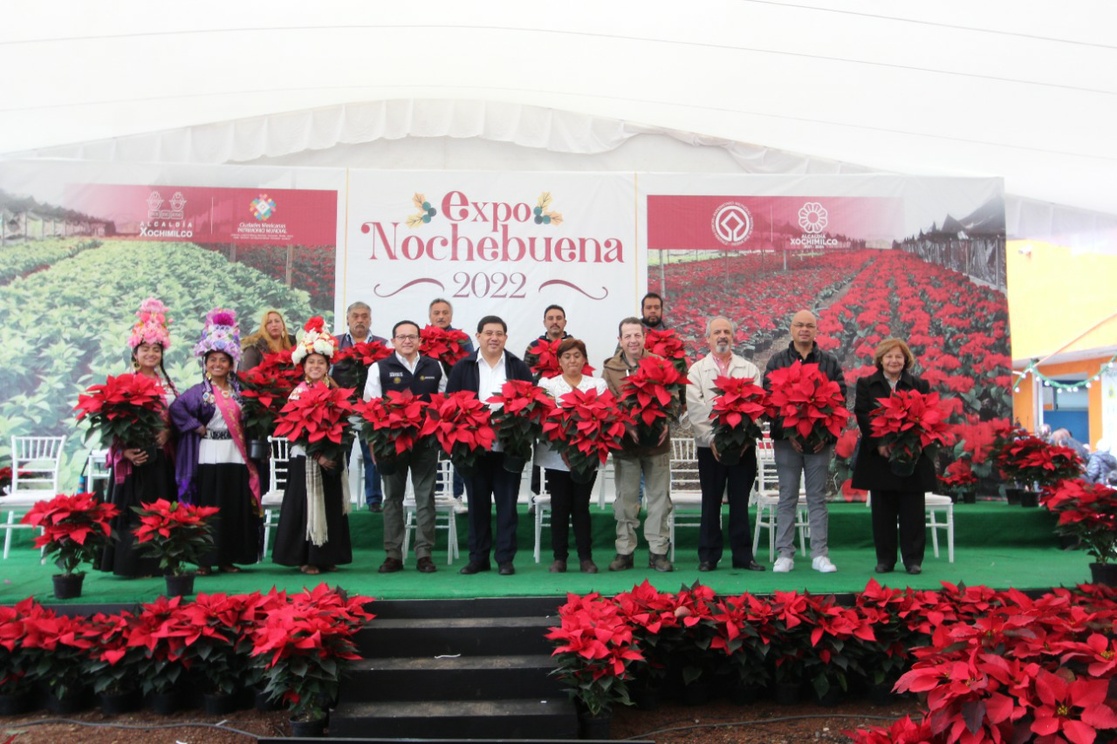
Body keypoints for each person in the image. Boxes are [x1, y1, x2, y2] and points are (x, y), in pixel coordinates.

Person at [169, 309, 261, 574]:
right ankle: (204, 560)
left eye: (223, 360)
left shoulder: (241, 392)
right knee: (208, 507)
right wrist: (193, 426)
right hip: (208, 454)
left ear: (231, 363)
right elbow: (176, 410)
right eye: (213, 360)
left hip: (235, 454)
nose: (218, 364)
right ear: (205, 362)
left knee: (233, 505)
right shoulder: (198, 393)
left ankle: (227, 557)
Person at [99, 298, 180, 577]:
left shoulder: (169, 385)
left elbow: (175, 419)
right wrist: (125, 453)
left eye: (156, 349)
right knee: (133, 513)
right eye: (145, 349)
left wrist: (168, 432)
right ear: (135, 353)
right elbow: (112, 426)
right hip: (134, 459)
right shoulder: (124, 383)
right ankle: (130, 565)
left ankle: (158, 563)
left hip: (160, 458)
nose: (151, 354)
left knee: (158, 511)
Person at [446, 315, 533, 575]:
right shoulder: (463, 367)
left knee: (507, 507)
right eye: (488, 333)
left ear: (506, 337)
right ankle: (478, 558)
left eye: (499, 333)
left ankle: (505, 559)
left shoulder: (517, 366)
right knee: (477, 505)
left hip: (508, 447)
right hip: (474, 448)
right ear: (479, 336)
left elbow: (531, 404)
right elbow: (450, 404)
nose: (494, 337)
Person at [762, 309, 847, 574]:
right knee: (786, 497)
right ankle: (785, 553)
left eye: (809, 325)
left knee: (817, 499)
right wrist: (788, 433)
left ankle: (819, 554)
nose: (804, 330)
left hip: (819, 444)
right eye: (799, 325)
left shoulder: (829, 362)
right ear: (791, 329)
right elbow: (769, 402)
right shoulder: (777, 361)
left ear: (816, 330)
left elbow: (839, 400)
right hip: (788, 443)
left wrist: (828, 436)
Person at [363, 320, 447, 574]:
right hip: (392, 444)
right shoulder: (380, 368)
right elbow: (370, 408)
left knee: (425, 498)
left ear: (421, 341)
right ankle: (393, 554)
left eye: (412, 337)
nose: (407, 341)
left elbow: (443, 404)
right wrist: (374, 447)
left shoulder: (435, 366)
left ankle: (424, 553)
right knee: (392, 499)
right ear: (393, 341)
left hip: (425, 444)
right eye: (402, 337)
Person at [272, 319, 354, 575]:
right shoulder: (297, 392)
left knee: (330, 506)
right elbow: (293, 430)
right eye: (312, 363)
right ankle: (305, 558)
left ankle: (327, 555)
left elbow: (343, 423)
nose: (316, 366)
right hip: (307, 459)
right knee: (305, 507)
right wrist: (317, 454)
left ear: (328, 366)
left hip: (331, 458)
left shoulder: (335, 390)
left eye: (321, 362)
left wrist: (332, 452)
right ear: (304, 367)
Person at [686, 316, 765, 572]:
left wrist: (746, 439)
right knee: (711, 501)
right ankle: (708, 556)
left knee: (740, 501)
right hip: (709, 448)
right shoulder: (697, 370)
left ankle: (743, 556)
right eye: (717, 332)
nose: (722, 336)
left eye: (726, 332)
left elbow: (756, 407)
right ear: (707, 338)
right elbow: (696, 408)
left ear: (734, 337)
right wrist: (711, 439)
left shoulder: (749, 369)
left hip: (743, 447)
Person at [851, 338, 936, 575]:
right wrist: (880, 444)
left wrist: (910, 445)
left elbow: (927, 414)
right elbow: (862, 413)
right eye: (889, 356)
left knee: (913, 512)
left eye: (898, 356)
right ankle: (885, 560)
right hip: (879, 458)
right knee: (883, 512)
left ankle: (912, 560)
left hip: (912, 458)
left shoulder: (919, 384)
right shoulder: (867, 384)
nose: (894, 361)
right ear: (880, 359)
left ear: (906, 360)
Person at [602, 317, 675, 572]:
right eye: (627, 336)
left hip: (657, 443)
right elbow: (609, 403)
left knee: (659, 499)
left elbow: (673, 395)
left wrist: (667, 419)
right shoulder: (610, 368)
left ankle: (658, 552)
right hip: (626, 445)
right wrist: (626, 425)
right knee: (625, 500)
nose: (633, 340)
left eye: (637, 335)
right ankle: (625, 550)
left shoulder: (659, 363)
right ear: (620, 340)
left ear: (644, 338)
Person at [536, 338, 604, 574]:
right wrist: (564, 448)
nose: (572, 360)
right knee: (560, 506)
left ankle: (586, 558)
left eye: (577, 355)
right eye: (567, 356)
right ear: (559, 361)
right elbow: (545, 420)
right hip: (557, 458)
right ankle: (559, 558)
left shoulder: (597, 384)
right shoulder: (548, 385)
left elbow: (604, 418)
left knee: (581, 506)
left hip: (586, 456)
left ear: (584, 359)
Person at [333, 301, 389, 512]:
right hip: (343, 408)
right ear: (347, 318)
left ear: (370, 319)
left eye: (364, 316)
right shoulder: (335, 344)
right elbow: (325, 375)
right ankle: (338, 497)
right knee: (341, 454)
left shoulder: (382, 345)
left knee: (372, 453)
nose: (360, 320)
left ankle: (374, 499)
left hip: (371, 409)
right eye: (355, 316)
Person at [428, 297, 472, 509]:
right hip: (430, 403)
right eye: (436, 313)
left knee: (457, 448)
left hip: (458, 402)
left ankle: (458, 495)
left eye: (445, 312)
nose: (441, 316)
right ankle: (435, 495)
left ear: (451, 316)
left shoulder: (463, 339)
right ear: (430, 316)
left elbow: (471, 367)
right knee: (433, 450)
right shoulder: (421, 338)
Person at [523, 304, 571, 379]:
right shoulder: (534, 346)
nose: (555, 322)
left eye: (559, 318)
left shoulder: (575, 345)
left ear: (565, 322)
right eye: (550, 318)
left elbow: (583, 373)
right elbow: (526, 374)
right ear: (544, 322)